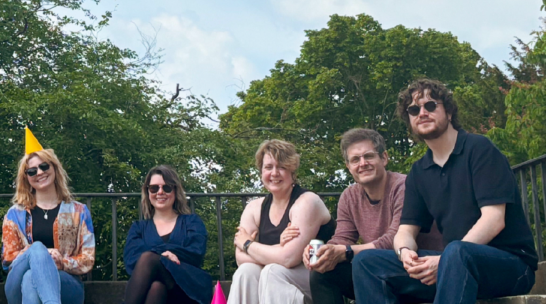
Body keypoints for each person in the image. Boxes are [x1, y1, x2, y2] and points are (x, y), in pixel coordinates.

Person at [353, 79, 538, 304]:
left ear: (448, 112)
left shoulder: (479, 149)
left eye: (430, 106)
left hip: (511, 266)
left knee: (456, 252)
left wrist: (443, 261)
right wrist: (405, 254)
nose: (422, 113)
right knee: (368, 262)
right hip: (453, 264)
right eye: (414, 110)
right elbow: (406, 231)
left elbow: (494, 219)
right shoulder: (419, 171)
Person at [277, 129, 441, 304]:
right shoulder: (349, 196)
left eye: (368, 156)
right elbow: (343, 237)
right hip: (376, 268)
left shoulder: (404, 186)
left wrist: (346, 251)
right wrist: (325, 252)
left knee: (366, 261)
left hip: (421, 268)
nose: (363, 163)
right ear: (348, 166)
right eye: (355, 159)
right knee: (324, 271)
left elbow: (393, 239)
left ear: (384, 158)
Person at [228, 139, 333, 304]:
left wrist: (248, 245)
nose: (274, 173)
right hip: (276, 282)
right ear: (261, 172)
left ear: (293, 172)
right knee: (246, 271)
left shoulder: (307, 202)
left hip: (319, 278)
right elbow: (240, 258)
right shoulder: (254, 208)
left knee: (272, 271)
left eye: (282, 167)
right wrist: (279, 249)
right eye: (268, 167)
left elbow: (289, 259)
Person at [0, 148, 95, 304]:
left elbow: (88, 259)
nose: (39, 172)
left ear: (54, 168)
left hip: (65, 282)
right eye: (32, 171)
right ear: (26, 177)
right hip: (17, 284)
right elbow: (7, 260)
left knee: (31, 279)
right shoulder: (14, 214)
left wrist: (61, 262)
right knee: (37, 249)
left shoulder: (78, 211)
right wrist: (39, 254)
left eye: (44, 166)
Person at [122, 165, 211, 304]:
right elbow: (131, 261)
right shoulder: (138, 228)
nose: (160, 192)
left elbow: (196, 252)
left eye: (167, 187)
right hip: (154, 293)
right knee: (156, 287)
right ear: (148, 192)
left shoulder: (192, 222)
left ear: (175, 191)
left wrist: (158, 256)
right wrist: (165, 255)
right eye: (154, 188)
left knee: (148, 258)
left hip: (187, 291)